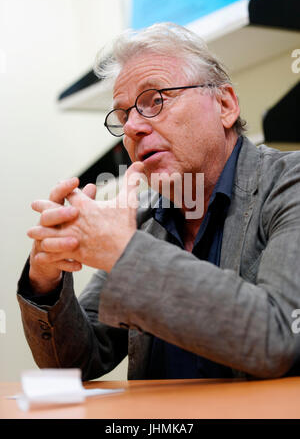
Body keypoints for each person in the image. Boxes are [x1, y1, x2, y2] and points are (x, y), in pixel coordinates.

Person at [17, 22, 300, 381]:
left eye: (156, 100)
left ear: (225, 105)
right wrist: (46, 279)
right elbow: (79, 361)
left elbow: (281, 339)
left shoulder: (290, 182)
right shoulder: (144, 218)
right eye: (123, 115)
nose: (133, 127)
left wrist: (123, 251)